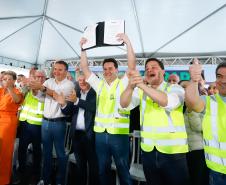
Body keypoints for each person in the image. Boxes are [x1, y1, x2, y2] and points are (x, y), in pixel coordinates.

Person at [120, 58, 190, 185]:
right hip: (148, 152)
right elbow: (123, 104)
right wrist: (130, 87)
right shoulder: (141, 91)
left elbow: (167, 102)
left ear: (163, 71)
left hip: (173, 152)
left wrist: (141, 85)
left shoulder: (176, 88)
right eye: (147, 68)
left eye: (154, 67)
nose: (149, 70)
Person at [80, 33, 136, 185]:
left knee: (123, 169)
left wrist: (128, 43)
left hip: (118, 135)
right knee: (102, 169)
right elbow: (85, 68)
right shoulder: (99, 85)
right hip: (100, 135)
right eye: (105, 69)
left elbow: (132, 66)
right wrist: (83, 49)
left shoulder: (123, 83)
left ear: (117, 70)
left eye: (110, 68)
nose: (107, 71)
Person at [30, 60, 75, 185]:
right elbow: (39, 97)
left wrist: (42, 88)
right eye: (55, 69)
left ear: (66, 71)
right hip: (45, 123)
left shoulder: (69, 85)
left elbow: (58, 96)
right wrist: (34, 87)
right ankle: (46, 179)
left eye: (60, 69)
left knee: (61, 154)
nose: (56, 72)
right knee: (47, 153)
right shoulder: (48, 81)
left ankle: (60, 181)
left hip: (59, 124)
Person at [185, 60, 226, 185]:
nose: (223, 80)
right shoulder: (209, 101)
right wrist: (194, 80)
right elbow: (192, 101)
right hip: (217, 170)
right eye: (219, 76)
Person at [55, 72, 99, 185]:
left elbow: (93, 107)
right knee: (80, 165)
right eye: (80, 80)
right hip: (76, 135)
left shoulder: (96, 93)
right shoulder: (76, 93)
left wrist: (77, 101)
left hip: (90, 135)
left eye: (85, 80)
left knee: (93, 165)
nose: (82, 82)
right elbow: (68, 111)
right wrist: (63, 104)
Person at [17, 70, 46, 185]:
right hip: (24, 123)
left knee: (37, 150)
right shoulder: (28, 88)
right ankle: (21, 170)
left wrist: (33, 87)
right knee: (22, 149)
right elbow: (20, 97)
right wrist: (25, 86)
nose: (38, 78)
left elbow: (39, 97)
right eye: (36, 76)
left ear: (44, 78)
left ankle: (36, 173)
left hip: (37, 125)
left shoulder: (45, 90)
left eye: (40, 76)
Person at [0, 71, 23, 185]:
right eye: (5, 79)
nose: (6, 81)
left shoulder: (17, 91)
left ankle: (3, 179)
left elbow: (17, 100)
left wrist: (9, 88)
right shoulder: (0, 90)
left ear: (14, 81)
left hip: (8, 122)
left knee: (5, 151)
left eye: (9, 79)